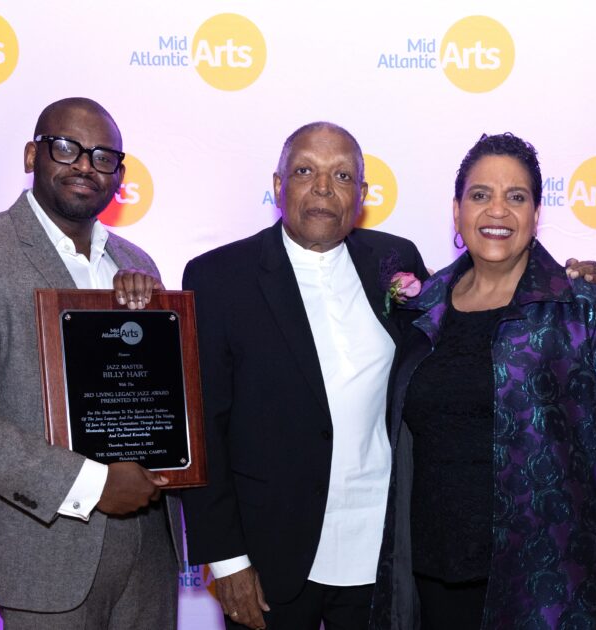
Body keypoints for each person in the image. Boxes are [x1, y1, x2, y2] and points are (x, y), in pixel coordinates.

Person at [370, 133, 596, 630]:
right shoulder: (423, 309)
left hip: (550, 585)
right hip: (435, 580)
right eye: (480, 194)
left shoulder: (582, 308)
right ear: (456, 210)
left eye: (517, 197)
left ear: (535, 216)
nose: (498, 211)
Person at [0, 97, 182, 628]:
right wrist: (91, 483)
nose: (85, 164)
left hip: (149, 546)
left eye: (103, 156)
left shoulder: (136, 263)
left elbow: (164, 398)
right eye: (67, 148)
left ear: (119, 175)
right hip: (39, 547)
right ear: (33, 155)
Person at [180, 122, 429, 630]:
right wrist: (226, 560)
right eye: (304, 171)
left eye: (341, 175)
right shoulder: (218, 277)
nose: (322, 187)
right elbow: (203, 427)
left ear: (361, 195)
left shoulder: (395, 260)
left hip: (381, 544)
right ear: (278, 186)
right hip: (271, 554)